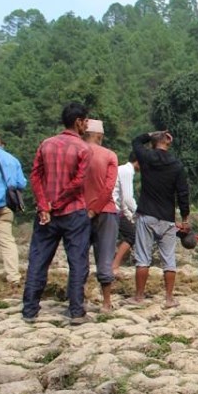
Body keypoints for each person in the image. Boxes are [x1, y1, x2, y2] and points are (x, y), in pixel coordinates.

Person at [22, 102, 92, 324]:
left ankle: (30, 309)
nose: (87, 125)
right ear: (78, 122)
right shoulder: (83, 149)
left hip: (46, 214)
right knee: (77, 261)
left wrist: (44, 204)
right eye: (86, 121)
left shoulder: (46, 144)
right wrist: (57, 202)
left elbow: (35, 176)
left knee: (38, 260)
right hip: (73, 212)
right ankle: (76, 310)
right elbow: (78, 182)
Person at [131, 130, 191, 308]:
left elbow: (136, 141)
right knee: (169, 259)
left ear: (153, 142)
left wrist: (150, 134)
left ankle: (139, 296)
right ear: (168, 142)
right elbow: (182, 193)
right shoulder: (176, 165)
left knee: (142, 258)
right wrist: (185, 218)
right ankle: (169, 298)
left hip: (147, 214)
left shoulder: (146, 157)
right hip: (167, 217)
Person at [83, 120, 119, 312]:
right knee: (105, 257)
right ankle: (106, 302)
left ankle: (78, 300)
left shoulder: (76, 152)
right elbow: (108, 187)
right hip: (105, 211)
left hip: (78, 211)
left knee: (79, 257)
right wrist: (96, 208)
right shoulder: (109, 155)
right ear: (99, 136)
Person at [0, 134, 28, 288]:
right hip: (4, 206)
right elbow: (21, 183)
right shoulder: (12, 160)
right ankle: (13, 277)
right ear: (1, 144)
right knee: (7, 242)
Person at [111, 151, 139, 277]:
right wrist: (139, 212)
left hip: (115, 207)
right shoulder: (127, 172)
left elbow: (122, 198)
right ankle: (114, 265)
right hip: (112, 208)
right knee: (131, 235)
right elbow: (128, 198)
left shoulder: (121, 169)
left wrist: (129, 215)